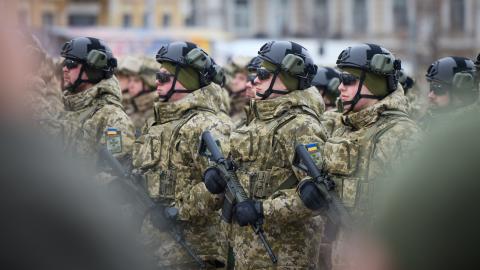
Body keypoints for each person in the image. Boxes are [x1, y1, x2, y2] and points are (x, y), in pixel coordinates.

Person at [209, 40, 328, 269]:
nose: (255, 80)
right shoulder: (257, 121)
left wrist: (262, 210)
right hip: (248, 252)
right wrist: (217, 175)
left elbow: (317, 197)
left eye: (263, 74)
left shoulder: (301, 125)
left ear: (287, 77)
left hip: (283, 255)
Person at [309, 43, 420, 270]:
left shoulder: (401, 133)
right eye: (340, 79)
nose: (340, 87)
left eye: (349, 80)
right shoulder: (346, 127)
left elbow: (417, 209)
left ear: (373, 82)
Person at [132, 41, 232, 269]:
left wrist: (177, 211)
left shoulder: (206, 125)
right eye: (159, 74)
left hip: (192, 250)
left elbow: (220, 185)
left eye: (165, 76)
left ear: (186, 79)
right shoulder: (156, 122)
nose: (157, 80)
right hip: (154, 247)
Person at [52, 37, 135, 161]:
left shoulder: (114, 120)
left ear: (92, 69)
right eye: (64, 63)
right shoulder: (61, 109)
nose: (65, 68)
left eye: (71, 63)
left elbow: (113, 174)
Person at [123, 56, 160, 133]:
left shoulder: (157, 114)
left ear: (150, 82)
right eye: (129, 80)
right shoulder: (132, 108)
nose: (130, 85)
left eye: (136, 81)